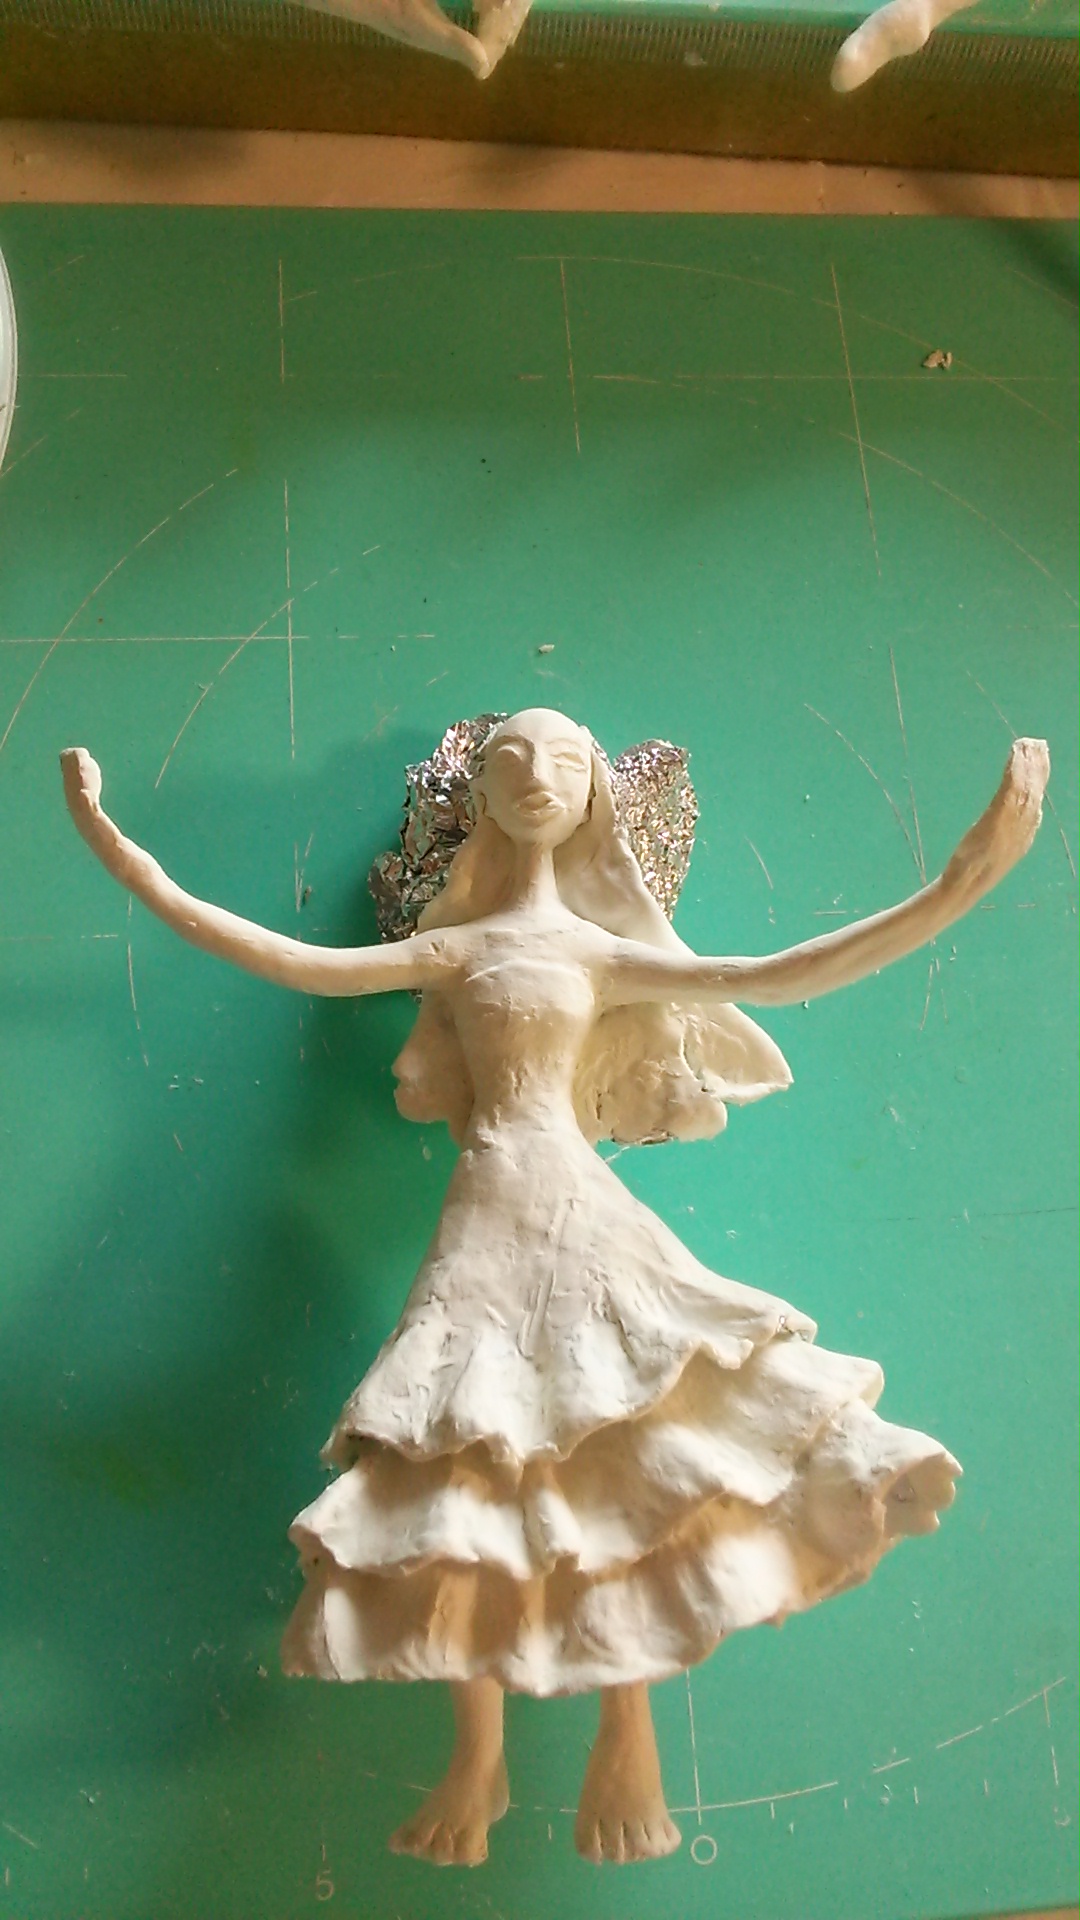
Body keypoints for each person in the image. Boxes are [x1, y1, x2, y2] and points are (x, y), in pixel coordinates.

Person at [61, 710, 1048, 1868]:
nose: (537, 780)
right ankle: (477, 1757)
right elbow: (290, 960)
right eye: (511, 763)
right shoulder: (460, 948)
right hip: (487, 1205)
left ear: (595, 795)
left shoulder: (592, 951)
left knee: (621, 1447)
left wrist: (962, 880)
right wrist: (117, 848)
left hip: (583, 1211)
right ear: (478, 793)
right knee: (465, 1459)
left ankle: (629, 1729)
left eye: (565, 762)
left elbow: (779, 976)